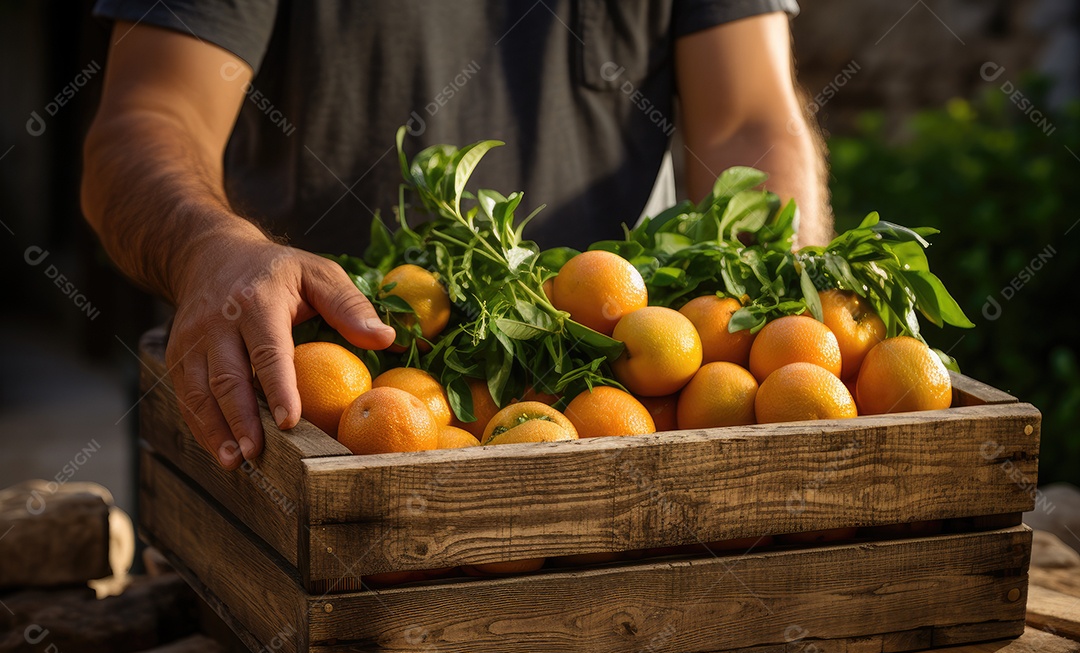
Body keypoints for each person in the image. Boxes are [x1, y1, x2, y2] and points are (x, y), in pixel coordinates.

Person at [82, 1, 829, 469]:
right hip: (321, 422)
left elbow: (748, 125)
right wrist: (211, 247)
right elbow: (146, 121)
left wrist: (779, 318)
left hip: (623, 405)